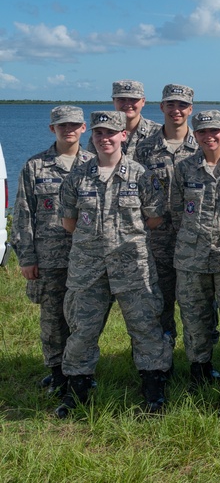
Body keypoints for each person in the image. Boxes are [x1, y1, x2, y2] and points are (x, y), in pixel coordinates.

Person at [57, 111, 172, 416]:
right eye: (98, 134)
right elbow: (69, 222)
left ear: (123, 135)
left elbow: (155, 217)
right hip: (88, 269)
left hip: (133, 268)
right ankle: (77, 390)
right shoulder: (77, 177)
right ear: (92, 136)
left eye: (111, 133)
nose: (104, 139)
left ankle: (153, 390)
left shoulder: (142, 175)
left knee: (145, 328)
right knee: (82, 330)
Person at [12, 106, 93, 395]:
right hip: (49, 258)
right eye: (62, 125)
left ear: (84, 128)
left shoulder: (94, 164)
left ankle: (81, 371)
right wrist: (27, 257)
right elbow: (23, 214)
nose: (68, 130)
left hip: (86, 258)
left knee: (82, 319)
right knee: (52, 320)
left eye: (74, 125)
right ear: (52, 129)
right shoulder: (35, 166)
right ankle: (57, 372)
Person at [171, 110, 220, 388]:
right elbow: (177, 211)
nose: (208, 136)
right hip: (192, 258)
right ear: (195, 134)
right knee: (194, 318)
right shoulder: (183, 168)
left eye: (214, 131)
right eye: (202, 132)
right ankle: (200, 369)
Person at [135, 83, 198, 345]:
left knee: (197, 307)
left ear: (190, 109)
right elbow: (136, 192)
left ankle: (199, 362)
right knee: (158, 306)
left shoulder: (204, 145)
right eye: (170, 104)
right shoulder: (145, 149)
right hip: (156, 241)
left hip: (195, 241)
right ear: (161, 107)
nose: (176, 110)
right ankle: (161, 362)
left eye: (182, 105)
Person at [86, 80, 162, 157]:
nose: (128, 104)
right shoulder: (102, 134)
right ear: (114, 101)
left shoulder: (158, 132)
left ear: (143, 101)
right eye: (122, 99)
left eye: (133, 99)